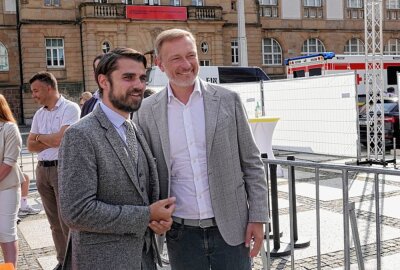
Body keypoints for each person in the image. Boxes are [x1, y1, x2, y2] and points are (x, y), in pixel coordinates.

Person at [134, 28, 269, 270]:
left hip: (231, 229)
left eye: (191, 55)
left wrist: (258, 217)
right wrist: (149, 215)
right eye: (175, 58)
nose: (186, 64)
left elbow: (251, 163)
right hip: (180, 234)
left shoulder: (228, 100)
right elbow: (144, 173)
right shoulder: (146, 111)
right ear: (159, 64)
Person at [58, 47, 176, 270]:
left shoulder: (134, 128)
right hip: (103, 261)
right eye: (128, 77)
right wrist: (146, 215)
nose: (139, 85)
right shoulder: (80, 135)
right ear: (103, 81)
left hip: (144, 258)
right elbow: (77, 212)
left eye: (142, 78)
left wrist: (156, 221)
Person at [27, 71, 80, 270]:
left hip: (62, 168)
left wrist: (39, 137)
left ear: (49, 88)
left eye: (36, 91)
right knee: (53, 222)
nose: (34, 95)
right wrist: (46, 139)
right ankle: (62, 262)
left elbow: (62, 140)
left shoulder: (70, 108)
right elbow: (30, 145)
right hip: (42, 171)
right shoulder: (40, 114)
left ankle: (75, 262)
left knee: (67, 220)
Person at [0, 94, 25, 268]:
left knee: (5, 231)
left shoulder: (9, 128)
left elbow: (8, 162)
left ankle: (9, 268)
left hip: (7, 187)